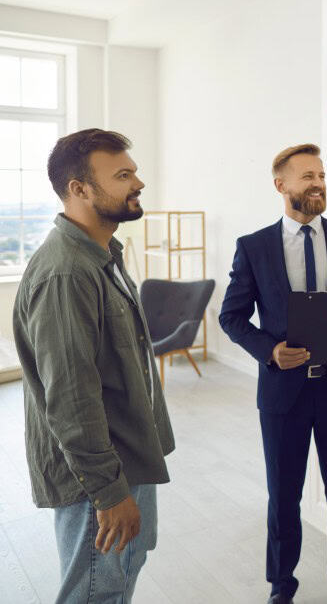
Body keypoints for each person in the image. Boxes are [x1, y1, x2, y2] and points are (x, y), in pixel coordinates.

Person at [13, 128, 174, 603]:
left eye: (134, 171)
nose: (138, 182)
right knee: (96, 591)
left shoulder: (102, 255)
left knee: (119, 576)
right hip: (100, 476)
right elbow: (72, 400)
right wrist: (109, 492)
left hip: (127, 454)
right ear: (79, 189)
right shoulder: (67, 273)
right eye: (123, 175)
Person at [219, 143, 327, 604]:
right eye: (308, 176)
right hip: (283, 390)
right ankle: (281, 585)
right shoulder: (253, 247)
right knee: (283, 496)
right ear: (281, 185)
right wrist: (269, 351)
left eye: (322, 175)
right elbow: (231, 318)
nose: (318, 184)